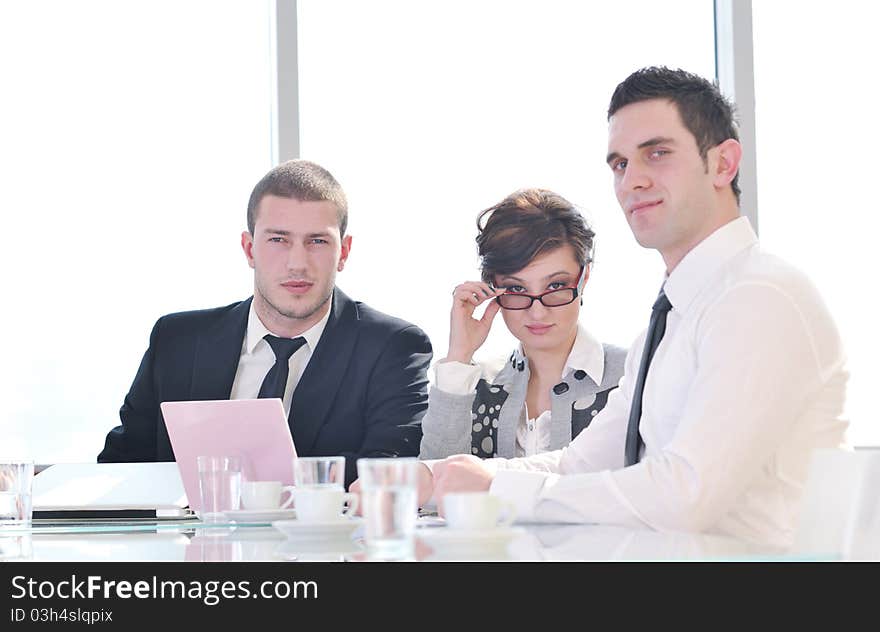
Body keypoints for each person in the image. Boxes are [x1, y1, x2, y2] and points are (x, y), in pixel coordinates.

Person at [417, 67, 849, 548]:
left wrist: (499, 489)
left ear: (724, 163)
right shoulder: (673, 317)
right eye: (619, 164)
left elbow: (685, 494)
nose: (632, 180)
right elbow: (579, 463)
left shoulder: (759, 297)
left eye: (657, 154)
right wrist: (441, 475)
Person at [98, 159, 433, 487]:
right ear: (249, 249)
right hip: (187, 540)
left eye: (317, 241)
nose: (298, 263)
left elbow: (390, 473)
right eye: (278, 240)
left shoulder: (393, 346)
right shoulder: (177, 341)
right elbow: (121, 468)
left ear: (343, 252)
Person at [419, 188, 626, 460]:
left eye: (556, 285)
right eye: (516, 289)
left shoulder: (630, 375)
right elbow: (435, 487)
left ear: (584, 277)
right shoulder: (476, 385)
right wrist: (459, 355)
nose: (537, 312)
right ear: (493, 288)